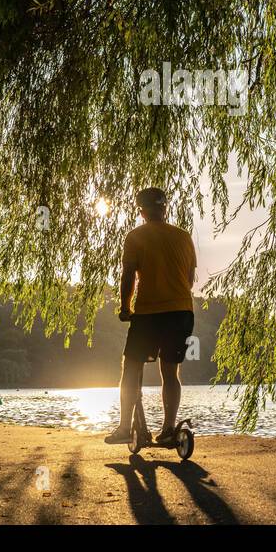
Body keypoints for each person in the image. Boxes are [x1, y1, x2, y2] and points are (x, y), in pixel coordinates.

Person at [105, 187, 196, 447]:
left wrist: (125, 307)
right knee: (170, 370)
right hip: (181, 312)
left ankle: (124, 427)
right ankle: (168, 428)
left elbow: (128, 275)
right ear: (165, 208)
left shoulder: (135, 236)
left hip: (148, 314)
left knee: (132, 365)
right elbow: (189, 280)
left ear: (141, 210)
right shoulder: (184, 236)